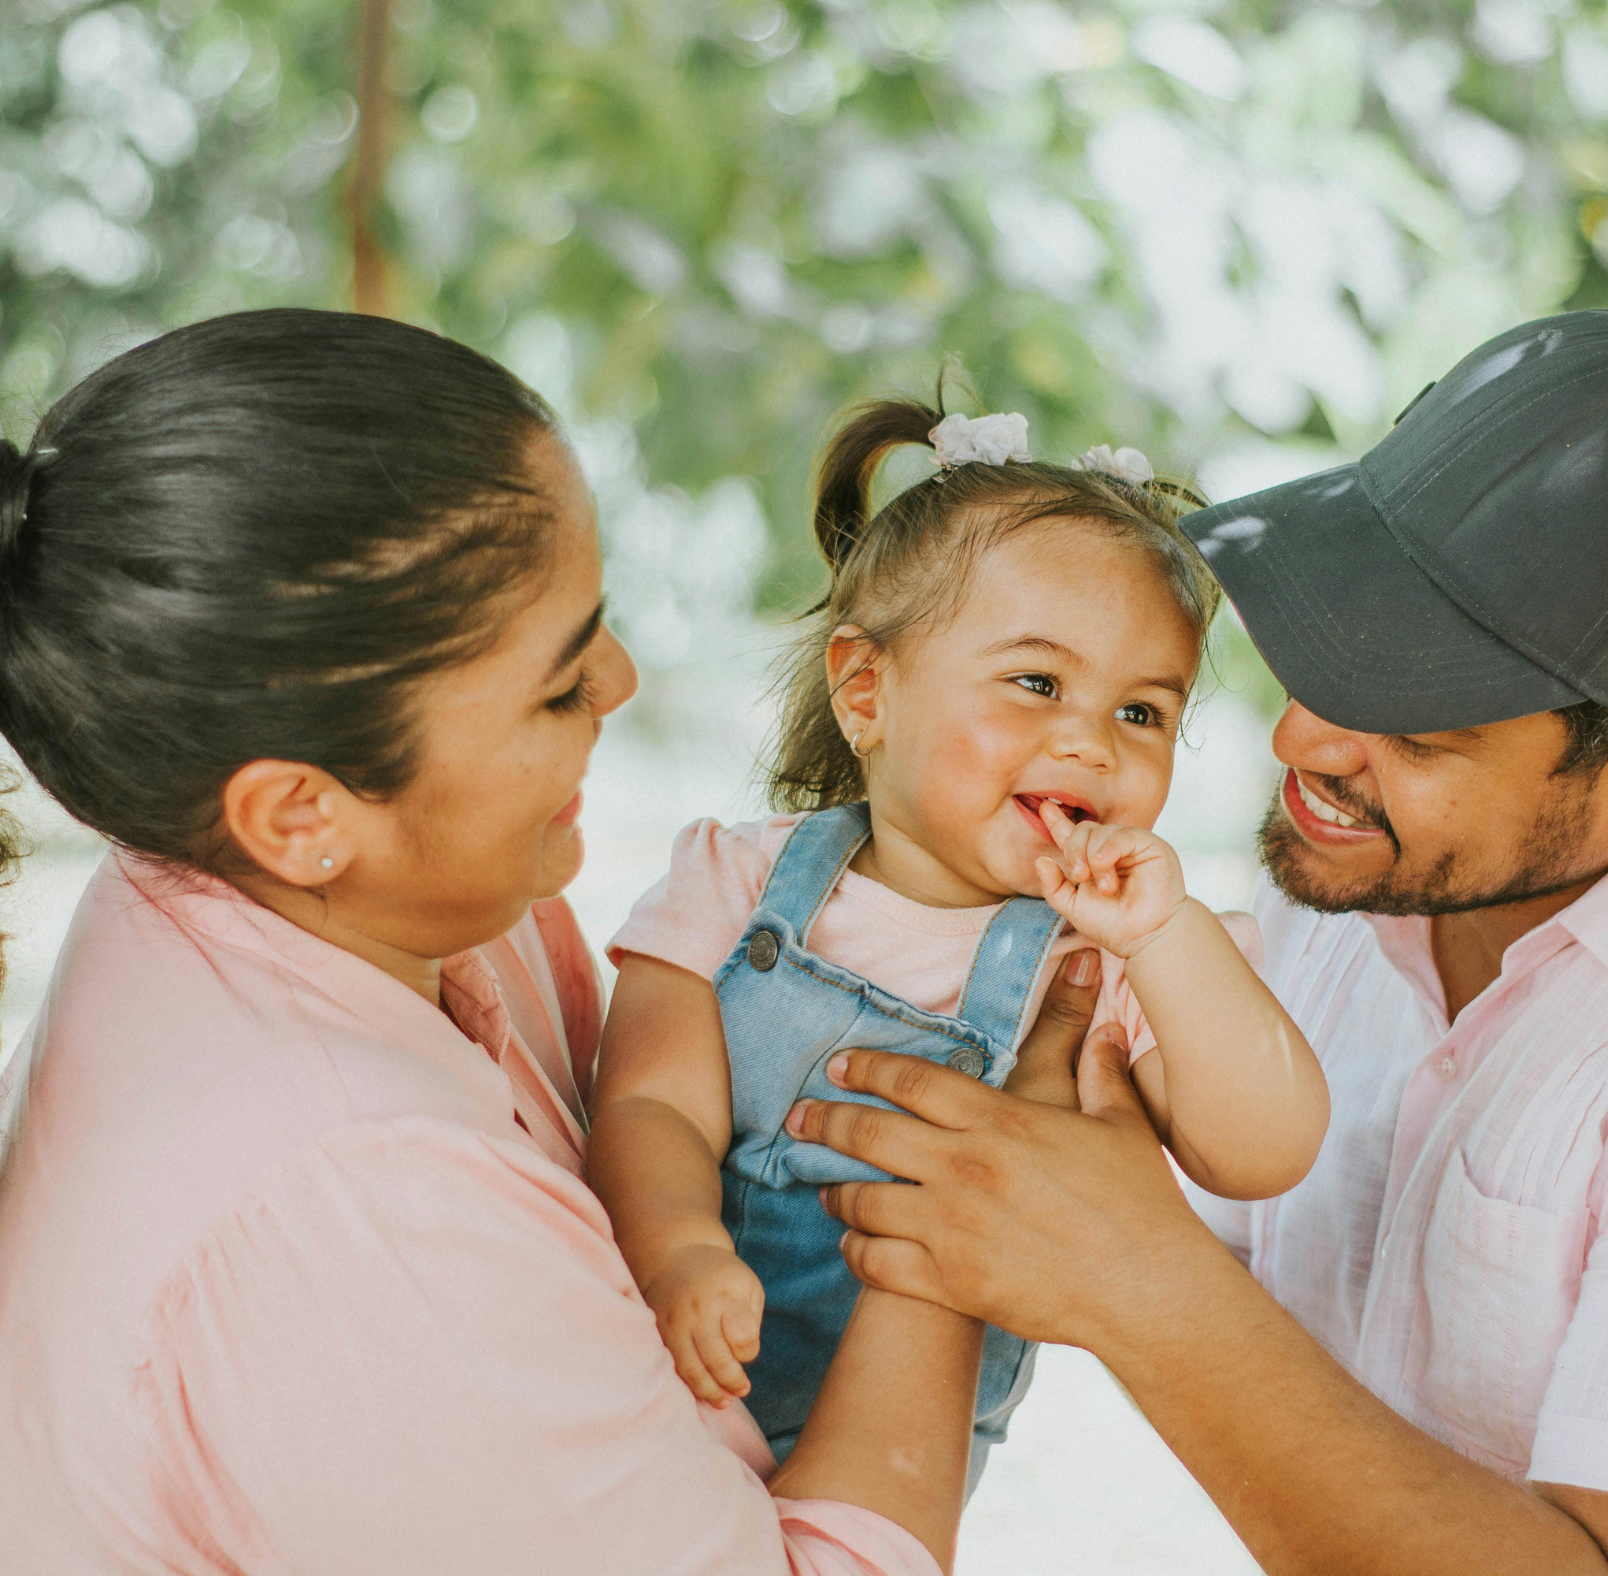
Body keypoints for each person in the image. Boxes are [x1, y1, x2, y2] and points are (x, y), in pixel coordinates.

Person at [0, 309, 1095, 1576]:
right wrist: (951, 1208)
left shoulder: (352, 886)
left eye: (598, 624)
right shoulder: (364, 1210)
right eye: (559, 683)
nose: (621, 681)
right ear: (300, 810)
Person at [788, 311, 1608, 1576]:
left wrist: (1143, 1283)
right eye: (1338, 644)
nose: (1301, 741)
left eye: (1416, 723)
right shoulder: (1379, 840)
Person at [584, 397, 1329, 1483]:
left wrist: (1166, 937)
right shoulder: (736, 878)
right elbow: (648, 1100)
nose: (1088, 740)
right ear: (865, 688)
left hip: (903, 1447)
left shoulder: (1108, 956)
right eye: (1036, 682)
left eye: (1142, 712)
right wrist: (677, 1246)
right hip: (665, 1373)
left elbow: (1263, 1151)